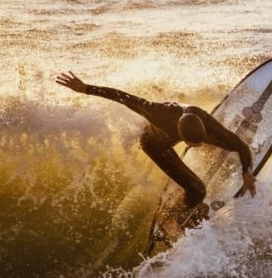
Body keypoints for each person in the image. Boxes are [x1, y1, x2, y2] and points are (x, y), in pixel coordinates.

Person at [55, 71, 256, 225]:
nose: (195, 146)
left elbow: (240, 146)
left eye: (198, 142)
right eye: (193, 144)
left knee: (229, 142)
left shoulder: (202, 118)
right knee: (198, 191)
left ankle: (211, 146)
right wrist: (86, 88)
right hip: (156, 146)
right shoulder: (156, 112)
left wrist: (246, 171)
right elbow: (122, 97)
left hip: (188, 130)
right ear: (183, 136)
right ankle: (168, 218)